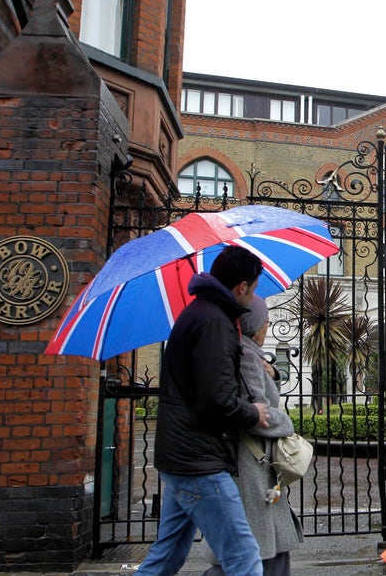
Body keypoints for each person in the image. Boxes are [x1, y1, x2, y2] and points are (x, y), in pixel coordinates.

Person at [135, 245, 271, 576]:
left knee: (167, 555)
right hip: (199, 460)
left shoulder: (202, 313)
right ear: (243, 287)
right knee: (244, 557)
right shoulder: (213, 323)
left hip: (182, 454)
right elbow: (216, 399)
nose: (252, 295)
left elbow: (206, 382)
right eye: (253, 288)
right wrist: (254, 412)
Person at [204, 294, 303, 576]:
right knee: (257, 537)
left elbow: (256, 395)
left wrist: (273, 377)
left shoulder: (248, 353)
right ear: (254, 324)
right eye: (266, 322)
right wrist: (287, 424)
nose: (268, 327)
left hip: (254, 462)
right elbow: (256, 413)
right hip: (252, 462)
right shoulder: (246, 355)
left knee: (263, 536)